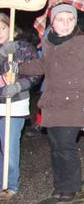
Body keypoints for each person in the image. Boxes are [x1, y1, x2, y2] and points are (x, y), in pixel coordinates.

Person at [1, 4, 84, 202]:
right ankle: (60, 184)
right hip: (53, 103)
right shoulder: (50, 43)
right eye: (60, 20)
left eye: (70, 20)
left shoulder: (83, 44)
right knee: (56, 146)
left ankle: (70, 186)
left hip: (74, 103)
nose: (65, 24)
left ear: (75, 22)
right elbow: (42, 65)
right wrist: (19, 67)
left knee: (66, 146)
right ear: (52, 23)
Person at [0, 14, 40, 200]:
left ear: (11, 28)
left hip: (14, 105)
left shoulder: (24, 48)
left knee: (9, 145)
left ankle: (9, 185)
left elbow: (34, 74)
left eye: (2, 28)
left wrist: (17, 86)